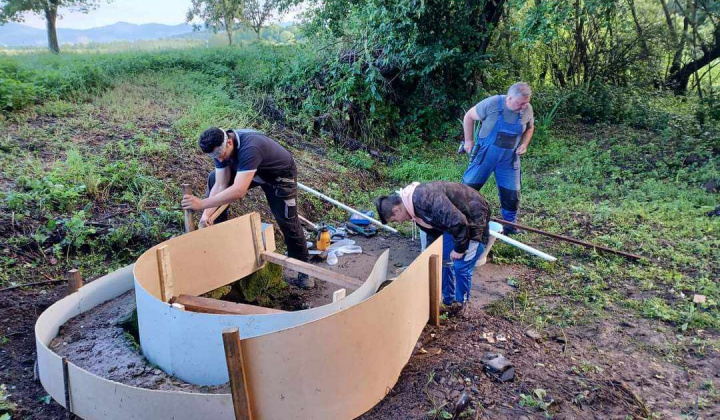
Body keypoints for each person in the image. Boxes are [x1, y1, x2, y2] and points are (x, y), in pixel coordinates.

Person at [180, 128, 312, 287]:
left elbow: (239, 190)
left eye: (220, 154)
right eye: (214, 156)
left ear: (229, 142)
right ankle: (216, 239)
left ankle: (305, 269)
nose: (219, 159)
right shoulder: (219, 148)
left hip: (279, 176)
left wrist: (201, 204)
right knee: (213, 177)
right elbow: (221, 184)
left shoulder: (250, 147)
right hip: (252, 171)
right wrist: (205, 216)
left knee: (287, 220)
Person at [375, 181, 491, 309]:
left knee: (461, 266)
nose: (399, 222)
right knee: (443, 260)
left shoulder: (424, 199)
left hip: (474, 217)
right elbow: (432, 232)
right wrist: (429, 254)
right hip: (453, 223)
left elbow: (459, 222)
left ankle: (461, 305)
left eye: (395, 220)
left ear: (396, 210)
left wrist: (459, 249)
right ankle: (448, 301)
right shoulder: (412, 209)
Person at [461, 82, 534, 234]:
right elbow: (469, 116)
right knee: (467, 190)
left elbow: (530, 127)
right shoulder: (493, 103)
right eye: (520, 104)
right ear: (509, 98)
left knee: (512, 194)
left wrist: (525, 144)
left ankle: (509, 226)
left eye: (526, 103)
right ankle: (459, 223)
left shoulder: (527, 109)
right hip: (485, 156)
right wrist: (468, 140)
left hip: (509, 159)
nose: (523, 107)